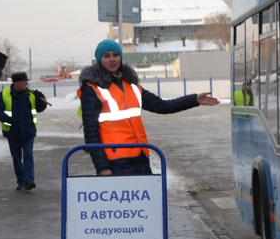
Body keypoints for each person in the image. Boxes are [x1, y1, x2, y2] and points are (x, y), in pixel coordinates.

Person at [78, 39, 220, 176]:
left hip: (140, 158)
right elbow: (91, 134)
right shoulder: (91, 89)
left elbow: (162, 106)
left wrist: (194, 99)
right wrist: (103, 167)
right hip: (115, 163)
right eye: (106, 56)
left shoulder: (132, 86)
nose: (112, 59)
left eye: (115, 55)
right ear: (99, 59)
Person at [0, 71, 48, 191]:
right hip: (12, 131)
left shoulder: (31, 94)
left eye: (26, 82)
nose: (26, 84)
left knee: (28, 155)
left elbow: (40, 108)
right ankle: (21, 181)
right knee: (16, 158)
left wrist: (41, 98)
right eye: (24, 82)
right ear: (16, 83)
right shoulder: (3, 95)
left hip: (28, 131)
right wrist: (7, 119)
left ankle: (29, 181)